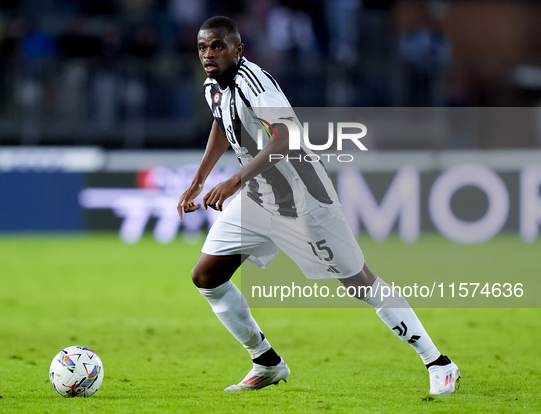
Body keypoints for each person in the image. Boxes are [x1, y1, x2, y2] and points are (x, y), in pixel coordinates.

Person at [177, 16, 460, 394]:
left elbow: (287, 137)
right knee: (206, 277)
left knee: (361, 283)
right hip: (259, 199)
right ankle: (266, 361)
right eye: (202, 47)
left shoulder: (255, 83)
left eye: (217, 46)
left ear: (238, 49)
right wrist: (198, 179)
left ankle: (439, 363)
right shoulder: (214, 84)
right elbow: (221, 122)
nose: (208, 54)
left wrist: (232, 180)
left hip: (303, 200)